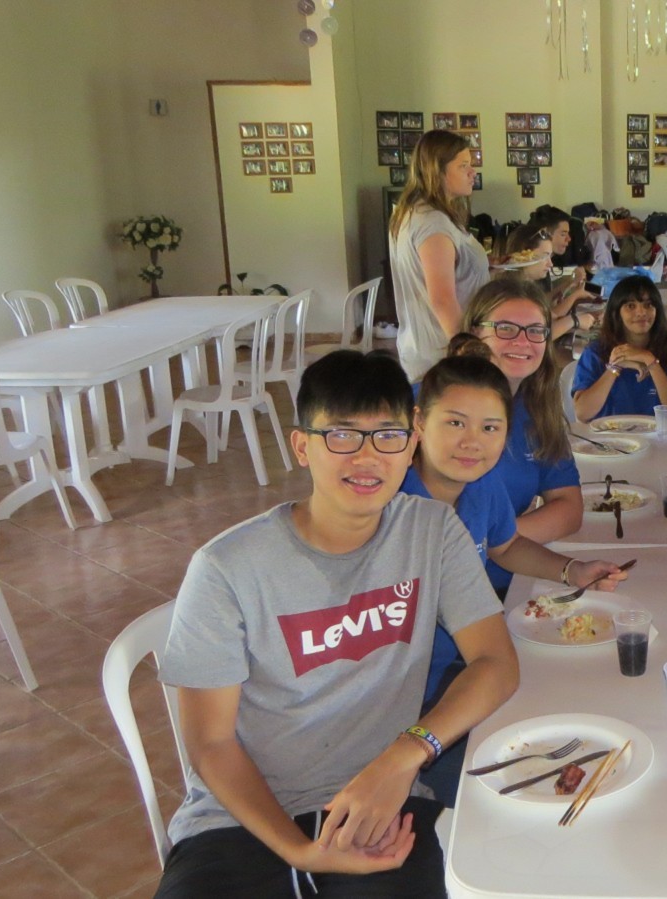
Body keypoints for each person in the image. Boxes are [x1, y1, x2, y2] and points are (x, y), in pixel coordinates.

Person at [154, 349, 519, 897]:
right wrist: (299, 851)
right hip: (241, 820)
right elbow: (211, 744)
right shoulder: (226, 568)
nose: (367, 458)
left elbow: (496, 663)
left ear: (412, 442)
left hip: (382, 798)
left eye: (387, 436)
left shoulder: (432, 531)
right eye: (342, 435)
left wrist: (405, 756)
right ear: (302, 446)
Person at [401, 340, 629, 805]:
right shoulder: (392, 503)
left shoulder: (480, 483)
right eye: (455, 423)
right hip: (406, 700)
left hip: (458, 671)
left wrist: (571, 570)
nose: (472, 441)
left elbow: (504, 546)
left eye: (490, 427)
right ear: (418, 423)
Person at [458, 279, 582, 593]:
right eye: (506, 329)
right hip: (440, 592)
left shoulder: (537, 409)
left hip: (511, 581)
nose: (523, 341)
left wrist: (496, 539)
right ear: (474, 333)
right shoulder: (429, 408)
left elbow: (569, 508)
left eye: (535, 330)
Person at [388, 130, 490, 380]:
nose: (473, 172)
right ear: (437, 170)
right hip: (443, 354)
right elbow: (442, 299)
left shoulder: (417, 212)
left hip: (426, 350)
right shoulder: (433, 222)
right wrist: (467, 355)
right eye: (463, 166)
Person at [571, 275, 667, 420]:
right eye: (631, 306)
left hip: (658, 432)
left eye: (648, 305)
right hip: (608, 433)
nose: (641, 312)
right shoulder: (595, 351)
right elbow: (582, 413)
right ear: (616, 312)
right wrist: (615, 367)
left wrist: (650, 361)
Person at [498, 226, 596, 339]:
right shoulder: (512, 294)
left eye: (550, 256)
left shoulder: (527, 287)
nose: (550, 264)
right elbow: (537, 335)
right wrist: (574, 320)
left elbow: (550, 316)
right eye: (545, 256)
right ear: (524, 256)